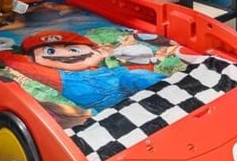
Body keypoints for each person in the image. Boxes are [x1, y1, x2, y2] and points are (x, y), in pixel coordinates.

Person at [15, 30, 165, 112]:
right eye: (50, 51)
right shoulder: (60, 77)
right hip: (104, 105)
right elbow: (19, 64)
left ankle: (169, 92)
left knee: (137, 76)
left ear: (100, 51)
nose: (67, 55)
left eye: (73, 49)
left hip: (125, 86)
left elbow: (143, 67)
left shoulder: (112, 66)